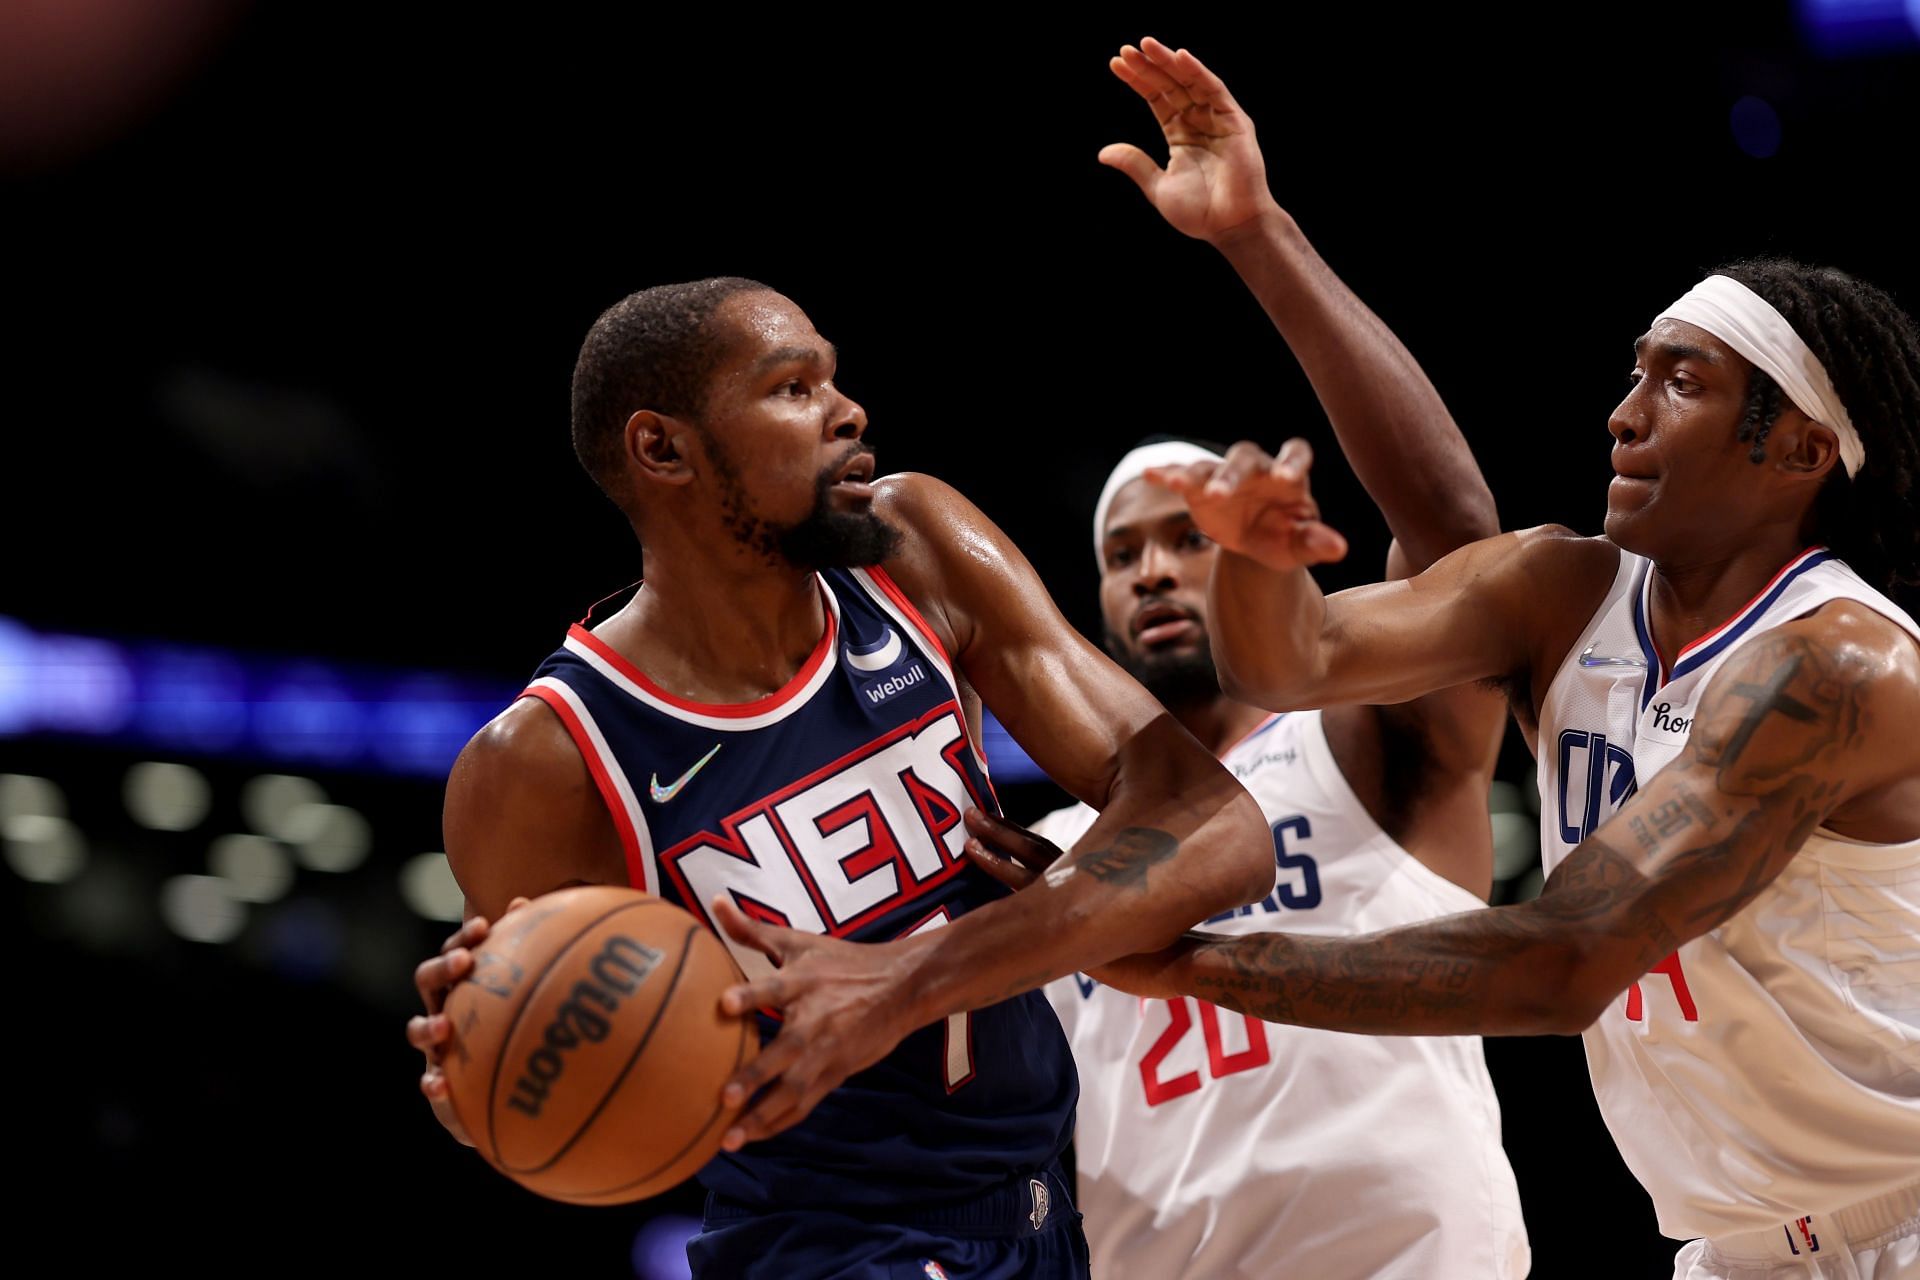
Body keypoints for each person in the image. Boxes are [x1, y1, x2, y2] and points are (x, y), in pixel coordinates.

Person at [979, 38, 1920, 1280]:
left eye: (1677, 383)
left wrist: (1190, 962)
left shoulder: (1839, 667)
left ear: (1800, 451)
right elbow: (1300, 654)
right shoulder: (1559, 586)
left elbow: (1570, 956)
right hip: (1733, 1249)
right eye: (1632, 373)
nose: (1621, 411)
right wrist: (1262, 563)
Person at [403, 267, 1274, 1279]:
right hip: (832, 1245)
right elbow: (524, 1101)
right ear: (663, 447)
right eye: (792, 387)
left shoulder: (915, 551)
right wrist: (476, 1056)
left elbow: (1221, 828)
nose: (848, 410)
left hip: (1045, 1206)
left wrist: (903, 981)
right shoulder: (550, 756)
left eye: (833, 379)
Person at [971, 42, 1530, 1277]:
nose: (1157, 570)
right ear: (1100, 597)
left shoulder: (1356, 747)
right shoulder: (1058, 860)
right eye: (1126, 552)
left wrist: (1256, 232)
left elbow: (1460, 547)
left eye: (1187, 536)